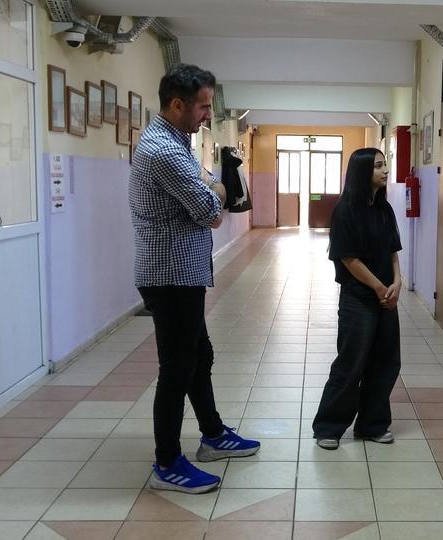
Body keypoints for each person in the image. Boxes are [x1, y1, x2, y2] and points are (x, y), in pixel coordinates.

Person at [129, 64, 260, 493]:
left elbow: (208, 189)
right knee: (177, 369)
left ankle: (213, 434)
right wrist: (216, 191)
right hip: (169, 276)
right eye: (203, 107)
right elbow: (211, 210)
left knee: (198, 357)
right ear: (177, 104)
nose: (207, 115)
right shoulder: (163, 152)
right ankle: (167, 462)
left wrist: (211, 188)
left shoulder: (176, 141)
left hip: (182, 273)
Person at [313, 148, 403, 450]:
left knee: (385, 362)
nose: (385, 170)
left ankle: (372, 425)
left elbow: (393, 251)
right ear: (362, 171)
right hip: (359, 299)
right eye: (378, 166)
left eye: (385, 164)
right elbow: (348, 259)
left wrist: (398, 283)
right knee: (351, 363)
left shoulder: (384, 209)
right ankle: (328, 427)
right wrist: (379, 288)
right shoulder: (346, 211)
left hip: (386, 297)